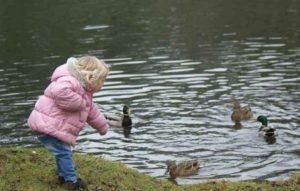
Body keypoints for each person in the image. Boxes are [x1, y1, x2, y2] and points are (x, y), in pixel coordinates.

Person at [27, 56, 110, 190]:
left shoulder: (85, 91)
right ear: (91, 78)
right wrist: (79, 103)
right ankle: (72, 182)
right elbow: (59, 91)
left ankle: (63, 177)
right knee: (64, 153)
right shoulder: (69, 81)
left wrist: (103, 126)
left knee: (62, 152)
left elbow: (92, 111)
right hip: (49, 126)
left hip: (54, 127)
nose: (103, 84)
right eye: (102, 81)